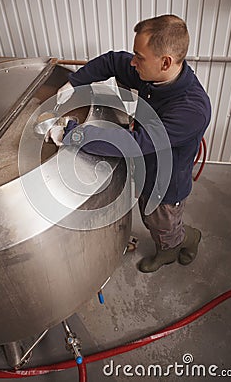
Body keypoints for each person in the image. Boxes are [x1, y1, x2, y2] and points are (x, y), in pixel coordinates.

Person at [47, 14, 211, 273]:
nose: (132, 62)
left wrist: (74, 135)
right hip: (146, 166)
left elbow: (134, 143)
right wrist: (74, 82)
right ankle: (175, 238)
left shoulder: (191, 110)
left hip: (165, 184)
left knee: (160, 222)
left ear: (165, 62)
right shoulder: (151, 74)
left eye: (139, 57)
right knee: (148, 214)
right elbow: (113, 61)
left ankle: (177, 245)